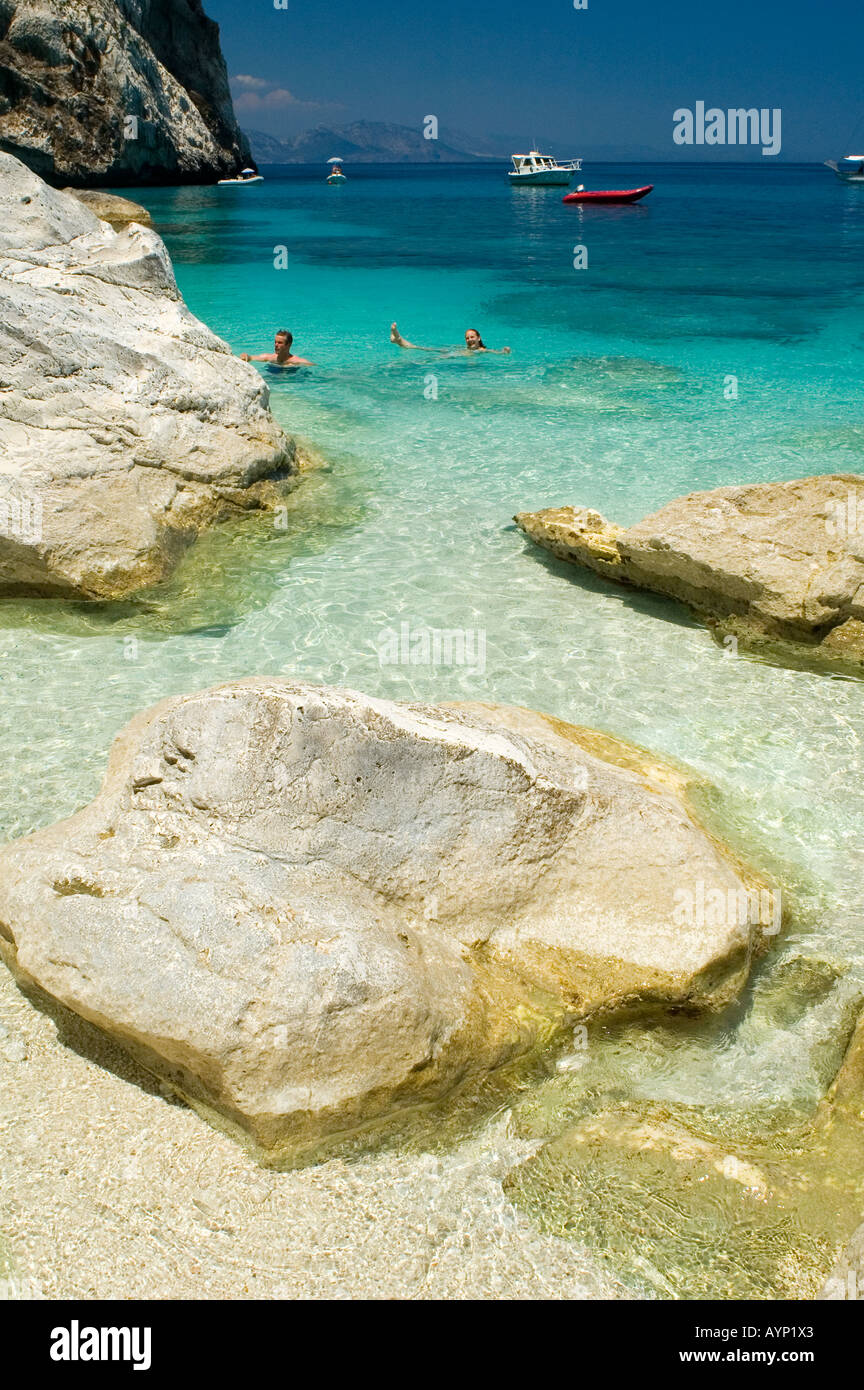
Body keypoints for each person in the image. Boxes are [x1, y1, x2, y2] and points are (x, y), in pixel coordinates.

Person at [390, 323, 511, 355]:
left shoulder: (482, 350)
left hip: (455, 353)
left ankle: (397, 339)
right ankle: (397, 337)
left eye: (472, 337)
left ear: (479, 338)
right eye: (467, 338)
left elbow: (496, 352)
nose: (469, 339)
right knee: (421, 348)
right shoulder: (473, 350)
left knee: (419, 348)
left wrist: (504, 351)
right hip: (454, 352)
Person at [240, 330, 313, 366]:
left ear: (288, 345)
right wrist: (245, 356)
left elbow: (313, 366)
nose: (276, 345)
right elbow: (251, 357)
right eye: (275, 342)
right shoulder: (269, 357)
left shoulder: (296, 361)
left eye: (280, 343)